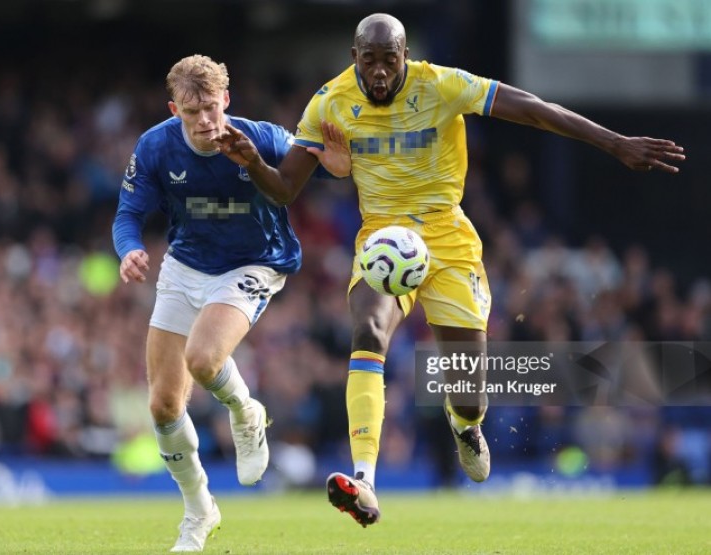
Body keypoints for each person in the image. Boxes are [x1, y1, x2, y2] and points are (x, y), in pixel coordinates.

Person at [215, 13, 685, 527]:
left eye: (388, 61)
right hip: (383, 240)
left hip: (447, 240)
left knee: (469, 391)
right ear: (354, 57)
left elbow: (534, 111)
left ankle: (466, 427)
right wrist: (253, 164)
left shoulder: (440, 84)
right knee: (367, 331)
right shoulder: (330, 102)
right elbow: (286, 189)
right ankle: (365, 480)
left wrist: (615, 143)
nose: (378, 73)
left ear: (404, 56)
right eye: (368, 61)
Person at [112, 54, 340, 551]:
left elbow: (318, 167)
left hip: (253, 264)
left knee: (203, 359)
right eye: (192, 113)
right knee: (163, 405)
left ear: (227, 101)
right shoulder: (155, 147)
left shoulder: (260, 137)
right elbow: (128, 212)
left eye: (212, 109)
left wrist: (341, 163)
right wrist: (128, 248)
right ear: (175, 109)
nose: (205, 122)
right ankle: (199, 511)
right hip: (186, 265)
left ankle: (245, 411)